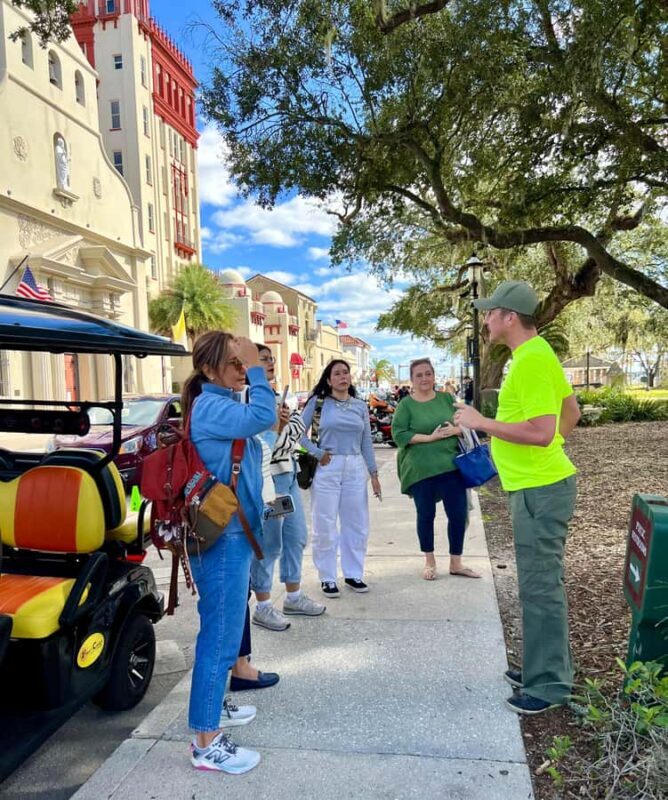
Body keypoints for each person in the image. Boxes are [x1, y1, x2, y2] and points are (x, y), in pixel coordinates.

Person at [454, 280, 580, 716]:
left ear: (509, 316)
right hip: (538, 486)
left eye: (490, 312)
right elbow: (571, 413)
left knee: (540, 589)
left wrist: (480, 422)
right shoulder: (536, 355)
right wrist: (549, 453)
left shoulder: (529, 361)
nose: (485, 319)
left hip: (538, 491)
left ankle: (548, 686)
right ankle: (542, 667)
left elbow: (544, 431)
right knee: (540, 586)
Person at [184, 332, 276, 773]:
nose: (243, 370)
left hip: (230, 534)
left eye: (244, 364)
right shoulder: (212, 406)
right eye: (236, 363)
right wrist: (258, 365)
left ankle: (213, 709)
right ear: (209, 369)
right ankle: (205, 741)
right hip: (223, 539)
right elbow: (264, 413)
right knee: (219, 639)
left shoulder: (217, 403)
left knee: (221, 627)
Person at [251, 344, 326, 631]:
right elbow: (256, 446)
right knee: (269, 544)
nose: (270, 363)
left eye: (271, 359)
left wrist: (286, 426)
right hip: (268, 482)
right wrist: (276, 429)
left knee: (295, 538)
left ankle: (293, 596)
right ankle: (263, 605)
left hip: (288, 476)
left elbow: (291, 440)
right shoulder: (250, 398)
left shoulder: (274, 396)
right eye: (263, 359)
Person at [392, 358, 480, 582]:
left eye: (428, 374)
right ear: (411, 380)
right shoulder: (406, 405)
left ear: (434, 376)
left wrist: (456, 431)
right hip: (420, 469)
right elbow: (399, 435)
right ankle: (429, 561)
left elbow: (467, 424)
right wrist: (429, 438)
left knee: (458, 514)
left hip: (451, 466)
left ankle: (456, 562)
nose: (424, 379)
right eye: (419, 375)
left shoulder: (447, 399)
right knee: (426, 515)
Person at [301, 359, 381, 597]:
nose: (342, 377)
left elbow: (366, 440)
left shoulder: (359, 406)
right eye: (337, 373)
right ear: (328, 379)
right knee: (324, 523)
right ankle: (327, 576)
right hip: (328, 466)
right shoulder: (318, 403)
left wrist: (374, 474)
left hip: (355, 466)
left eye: (345, 372)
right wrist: (317, 453)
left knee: (356, 522)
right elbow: (297, 433)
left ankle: (353, 573)